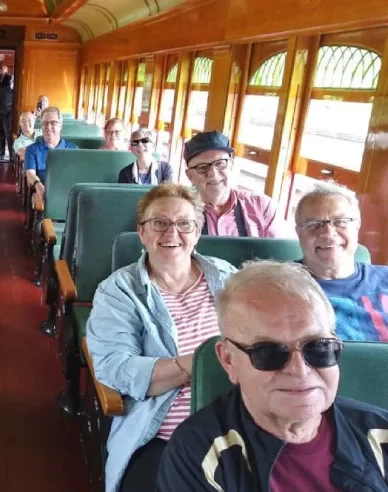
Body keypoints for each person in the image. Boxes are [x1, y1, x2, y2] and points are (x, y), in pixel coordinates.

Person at [157, 261, 388, 491]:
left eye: (318, 347)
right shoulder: (197, 454)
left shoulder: (381, 433)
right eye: (268, 353)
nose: (299, 370)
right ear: (229, 360)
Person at [86, 183, 237, 492]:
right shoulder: (118, 291)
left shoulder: (229, 279)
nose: (172, 233)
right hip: (163, 432)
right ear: (142, 232)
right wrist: (202, 364)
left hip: (242, 424)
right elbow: (117, 369)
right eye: (159, 223)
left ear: (197, 232)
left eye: (184, 224)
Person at [295, 185, 388, 341]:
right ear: (298, 233)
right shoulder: (280, 286)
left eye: (340, 222)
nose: (328, 233)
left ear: (357, 226)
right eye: (313, 225)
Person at [183, 131, 289, 237]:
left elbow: (279, 252)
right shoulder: (180, 211)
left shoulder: (262, 207)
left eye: (220, 163)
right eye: (202, 167)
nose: (213, 174)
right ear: (189, 176)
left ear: (231, 165)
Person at [24, 107, 78, 203]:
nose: (48, 127)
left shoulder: (73, 149)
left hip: (68, 195)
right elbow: (30, 173)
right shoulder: (31, 150)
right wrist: (38, 185)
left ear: (60, 125)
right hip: (44, 192)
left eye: (53, 123)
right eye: (45, 123)